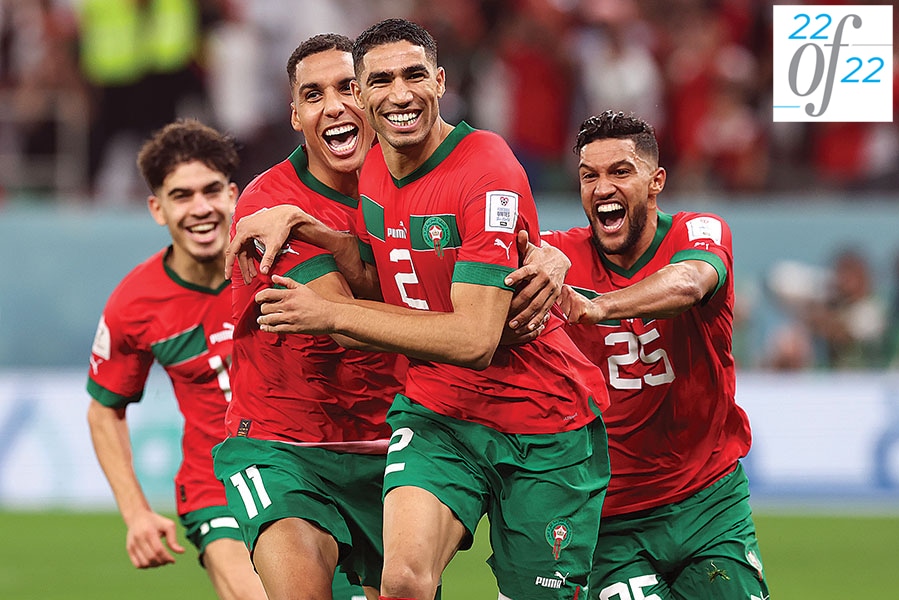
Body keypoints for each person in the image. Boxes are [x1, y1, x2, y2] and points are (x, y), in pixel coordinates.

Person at [251, 18, 611, 600]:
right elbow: (379, 270)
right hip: (437, 411)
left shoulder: (487, 169)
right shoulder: (373, 168)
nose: (400, 94)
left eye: (415, 75)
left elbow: (475, 339)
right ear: (365, 98)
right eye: (382, 81)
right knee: (403, 583)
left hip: (541, 420)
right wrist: (303, 222)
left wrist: (331, 316)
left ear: (441, 82)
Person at [530, 110, 769, 599]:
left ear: (656, 180)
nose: (602, 188)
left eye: (620, 171)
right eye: (589, 176)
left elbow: (689, 281)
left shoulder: (698, 231)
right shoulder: (558, 254)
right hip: (608, 520)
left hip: (710, 502)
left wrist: (598, 308)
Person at [210, 33, 403, 600]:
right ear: (296, 116)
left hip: (396, 450)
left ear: (372, 96)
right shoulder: (269, 205)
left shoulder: (412, 188)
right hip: (284, 443)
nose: (335, 106)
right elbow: (343, 319)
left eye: (348, 87)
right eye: (314, 95)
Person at [86, 119, 267, 600]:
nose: (201, 208)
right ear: (157, 208)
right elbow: (104, 408)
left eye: (211, 191)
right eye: (181, 196)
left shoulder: (283, 264)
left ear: (234, 194)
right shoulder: (135, 304)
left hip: (310, 468)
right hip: (216, 488)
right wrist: (136, 513)